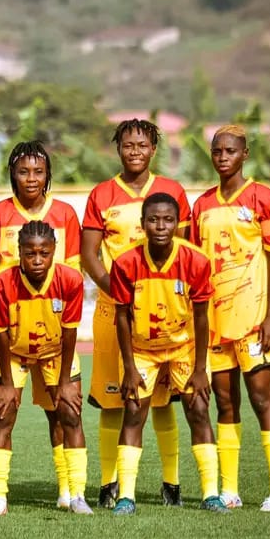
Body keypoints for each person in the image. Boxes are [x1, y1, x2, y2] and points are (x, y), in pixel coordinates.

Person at [81, 119, 190, 508]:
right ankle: (108, 484)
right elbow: (89, 255)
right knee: (114, 400)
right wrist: (117, 290)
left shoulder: (173, 191)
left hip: (163, 315)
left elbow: (185, 253)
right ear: (118, 149)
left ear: (154, 149)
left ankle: (171, 483)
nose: (135, 151)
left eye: (143, 145)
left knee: (161, 402)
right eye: (128, 145)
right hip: (115, 312)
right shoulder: (102, 194)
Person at [0, 141, 83, 511]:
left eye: (38, 171)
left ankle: (68, 491)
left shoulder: (65, 213)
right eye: (23, 171)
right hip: (10, 328)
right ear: (13, 175)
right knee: (2, 409)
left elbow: (72, 270)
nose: (31, 178)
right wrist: (11, 287)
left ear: (48, 174)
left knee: (60, 410)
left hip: (52, 326)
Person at [109, 192, 228, 515]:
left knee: (199, 409)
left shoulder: (196, 260)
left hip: (183, 347)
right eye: (153, 219)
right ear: (142, 224)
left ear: (177, 224)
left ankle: (211, 495)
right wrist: (129, 367)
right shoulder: (125, 262)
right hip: (141, 350)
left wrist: (200, 368)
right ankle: (126, 497)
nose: (160, 226)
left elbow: (202, 317)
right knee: (134, 412)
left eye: (168, 220)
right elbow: (122, 316)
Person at [191, 124, 270, 512]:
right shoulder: (202, 204)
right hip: (215, 321)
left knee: (262, 398)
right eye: (217, 151)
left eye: (230, 151)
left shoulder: (263, 197)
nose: (223, 157)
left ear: (244, 154)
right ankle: (229, 489)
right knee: (225, 403)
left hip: (253, 317)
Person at [0, 220, 89, 516]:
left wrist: (65, 381)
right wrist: (6, 383)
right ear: (19, 252)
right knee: (3, 415)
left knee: (69, 413)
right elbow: (1, 333)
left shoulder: (71, 279)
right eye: (30, 254)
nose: (37, 260)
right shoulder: (1, 281)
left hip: (55, 351)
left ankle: (75, 493)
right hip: (13, 353)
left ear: (54, 250)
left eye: (44, 253)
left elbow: (70, 332)